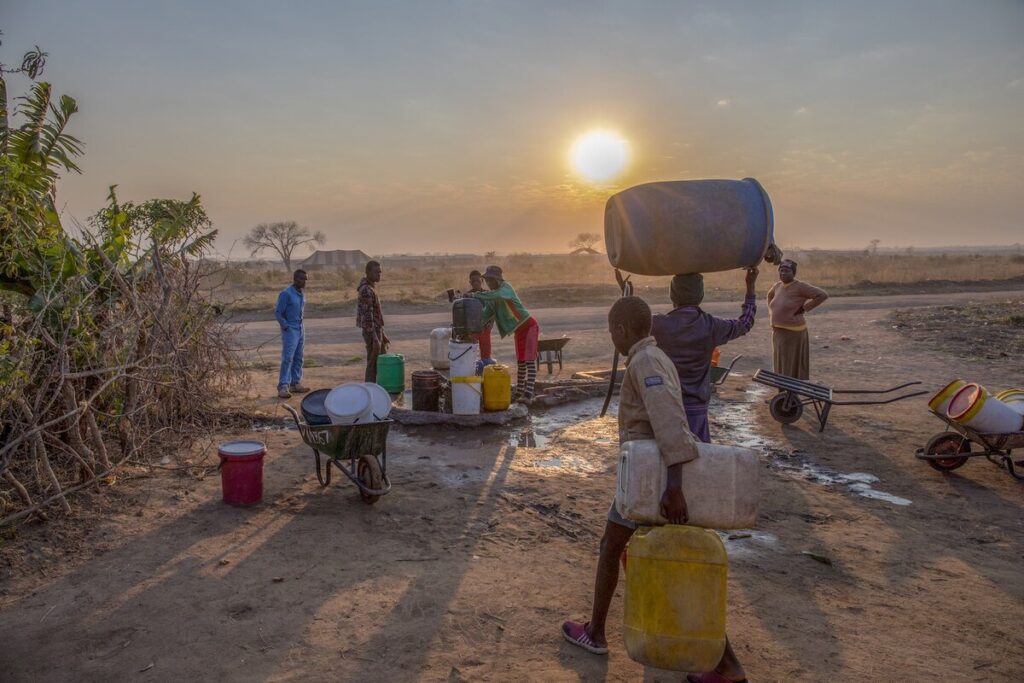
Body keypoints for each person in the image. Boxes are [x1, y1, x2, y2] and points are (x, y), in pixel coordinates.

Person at [561, 296, 748, 683]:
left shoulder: (646, 363)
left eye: (612, 330)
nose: (611, 337)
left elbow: (669, 423)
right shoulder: (653, 356)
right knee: (630, 551)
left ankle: (598, 633)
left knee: (630, 552)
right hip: (645, 475)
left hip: (654, 480)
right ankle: (719, 662)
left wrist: (675, 488)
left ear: (622, 330)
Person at [651, 268, 758, 442]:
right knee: (698, 461)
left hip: (666, 407)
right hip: (697, 411)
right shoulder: (711, 326)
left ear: (672, 296)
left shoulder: (658, 324)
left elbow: (629, 322)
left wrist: (626, 293)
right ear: (701, 296)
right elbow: (745, 323)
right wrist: (750, 287)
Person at [469, 265, 539, 404]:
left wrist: (475, 294)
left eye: (490, 279)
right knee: (521, 363)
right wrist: (471, 327)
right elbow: (485, 316)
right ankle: (519, 393)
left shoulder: (506, 288)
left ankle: (528, 395)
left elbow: (498, 295)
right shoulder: (493, 298)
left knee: (529, 361)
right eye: (487, 280)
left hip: (529, 326)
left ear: (497, 279)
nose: (488, 283)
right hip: (518, 331)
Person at [767, 259, 828, 380]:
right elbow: (770, 296)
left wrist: (804, 308)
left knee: (789, 364)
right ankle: (782, 391)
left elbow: (822, 295)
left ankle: (789, 393)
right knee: (780, 362)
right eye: (781, 271)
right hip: (778, 331)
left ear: (793, 273)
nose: (783, 273)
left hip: (793, 332)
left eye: (787, 271)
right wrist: (772, 315)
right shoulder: (777, 286)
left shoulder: (800, 287)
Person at [275, 269, 309, 399]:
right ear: (295, 279)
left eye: (306, 279)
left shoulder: (301, 293)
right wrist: (286, 326)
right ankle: (283, 386)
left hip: (300, 328)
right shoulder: (286, 293)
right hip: (291, 329)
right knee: (288, 358)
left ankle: (295, 383)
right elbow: (278, 312)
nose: (304, 281)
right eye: (301, 279)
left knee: (299, 357)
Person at [356, 260, 389, 383]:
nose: (379, 275)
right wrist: (375, 338)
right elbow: (368, 316)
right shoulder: (366, 290)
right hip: (371, 331)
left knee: (380, 361)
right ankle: (370, 389)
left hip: (376, 330)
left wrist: (382, 333)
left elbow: (375, 314)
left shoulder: (370, 288)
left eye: (380, 272)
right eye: (376, 272)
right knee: (373, 362)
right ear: (368, 272)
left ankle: (377, 388)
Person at [467, 269, 493, 361]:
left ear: (482, 281)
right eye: (473, 281)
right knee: (469, 353)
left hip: (485, 328)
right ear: (470, 282)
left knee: (486, 354)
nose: (475, 283)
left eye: (478, 280)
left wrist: (491, 323)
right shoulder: (467, 295)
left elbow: (493, 310)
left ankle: (484, 371)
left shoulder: (487, 294)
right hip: (472, 329)